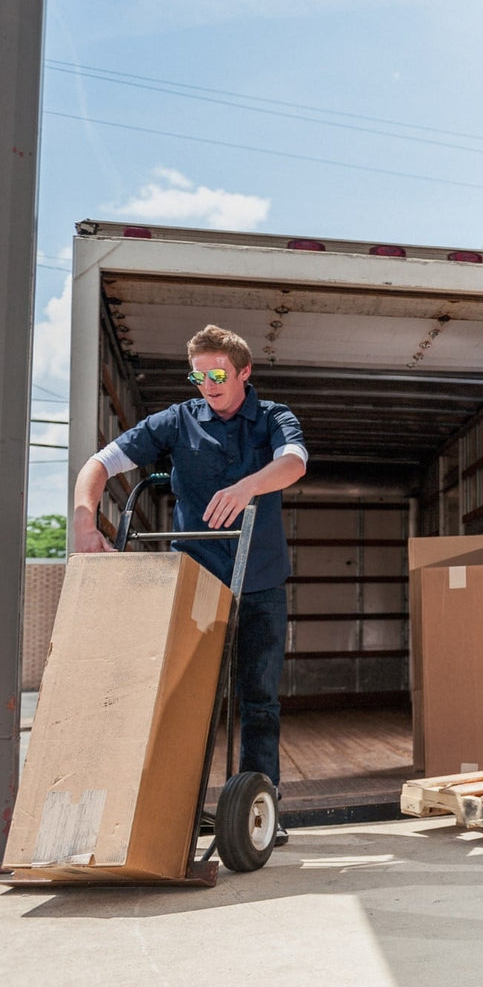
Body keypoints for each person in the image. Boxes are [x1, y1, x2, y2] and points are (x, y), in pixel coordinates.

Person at [72, 324, 308, 844]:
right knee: (187, 696)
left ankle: (261, 808)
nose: (208, 384)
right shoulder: (176, 420)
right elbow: (100, 463)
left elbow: (293, 463)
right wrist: (85, 522)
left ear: (245, 372)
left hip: (260, 580)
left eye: (218, 373)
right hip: (195, 581)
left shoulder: (272, 418)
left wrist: (249, 485)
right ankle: (174, 808)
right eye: (198, 375)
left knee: (259, 700)